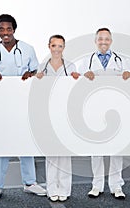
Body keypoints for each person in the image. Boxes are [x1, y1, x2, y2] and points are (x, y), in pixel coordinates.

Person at [0, 14, 46, 201]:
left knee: (26, 142)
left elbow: (37, 71)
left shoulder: (27, 49)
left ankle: (30, 183)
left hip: (24, 103)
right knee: (1, 144)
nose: (5, 32)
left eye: (8, 29)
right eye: (2, 29)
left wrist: (29, 73)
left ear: (14, 29)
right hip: (1, 106)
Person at [80, 28, 130, 200]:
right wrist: (83, 76)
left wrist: (127, 75)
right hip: (95, 109)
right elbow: (78, 85)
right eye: (100, 39)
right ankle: (97, 185)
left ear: (111, 41)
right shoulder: (86, 61)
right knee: (97, 150)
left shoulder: (121, 60)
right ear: (95, 41)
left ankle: (117, 186)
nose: (103, 41)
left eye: (107, 39)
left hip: (116, 109)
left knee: (117, 150)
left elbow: (129, 83)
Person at [36, 34, 79, 202]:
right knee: (52, 153)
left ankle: (64, 189)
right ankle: (52, 188)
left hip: (65, 113)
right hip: (48, 114)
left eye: (60, 46)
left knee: (64, 154)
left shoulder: (70, 66)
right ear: (49, 46)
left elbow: (75, 90)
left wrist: (76, 78)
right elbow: (37, 92)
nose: (57, 49)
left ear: (64, 48)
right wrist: (37, 78)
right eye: (54, 46)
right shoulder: (42, 67)